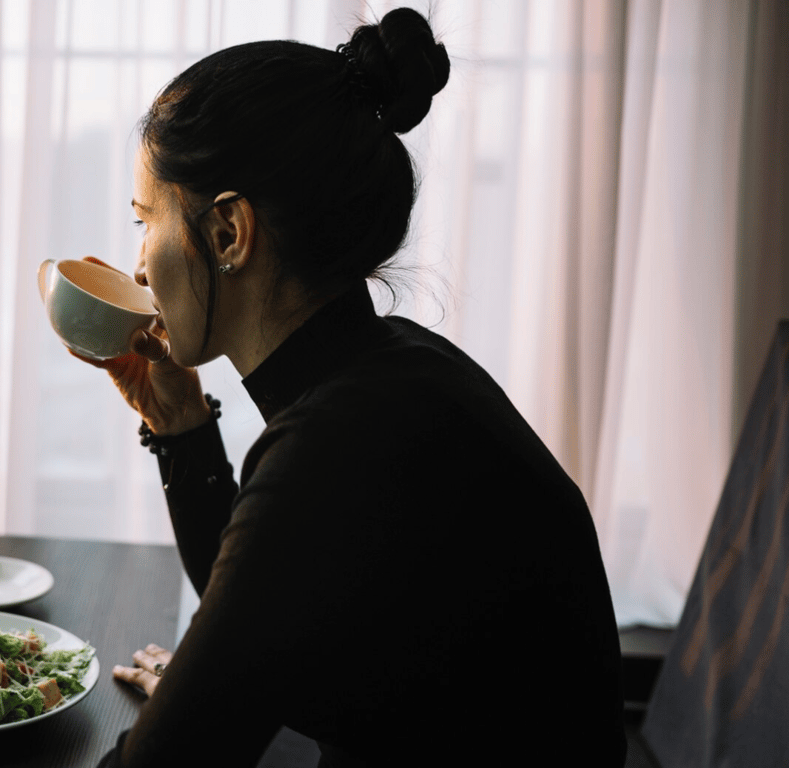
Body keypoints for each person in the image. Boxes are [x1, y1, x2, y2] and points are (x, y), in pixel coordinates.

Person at [79, 8, 627, 767]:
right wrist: (180, 425)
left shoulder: (339, 445)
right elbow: (266, 605)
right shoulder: (395, 372)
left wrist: (202, 704)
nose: (138, 267)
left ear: (229, 233)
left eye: (145, 220)